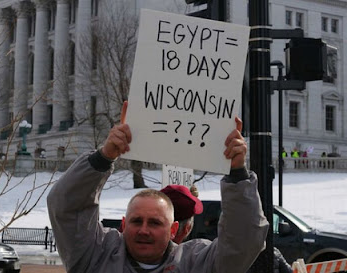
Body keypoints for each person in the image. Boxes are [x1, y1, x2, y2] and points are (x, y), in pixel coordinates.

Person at [47, 101, 269, 273]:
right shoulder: (95, 255)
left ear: (173, 230)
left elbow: (243, 241)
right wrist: (104, 157)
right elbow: (67, 207)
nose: (144, 230)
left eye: (155, 222)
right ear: (123, 225)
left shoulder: (196, 263)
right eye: (136, 221)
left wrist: (237, 172)